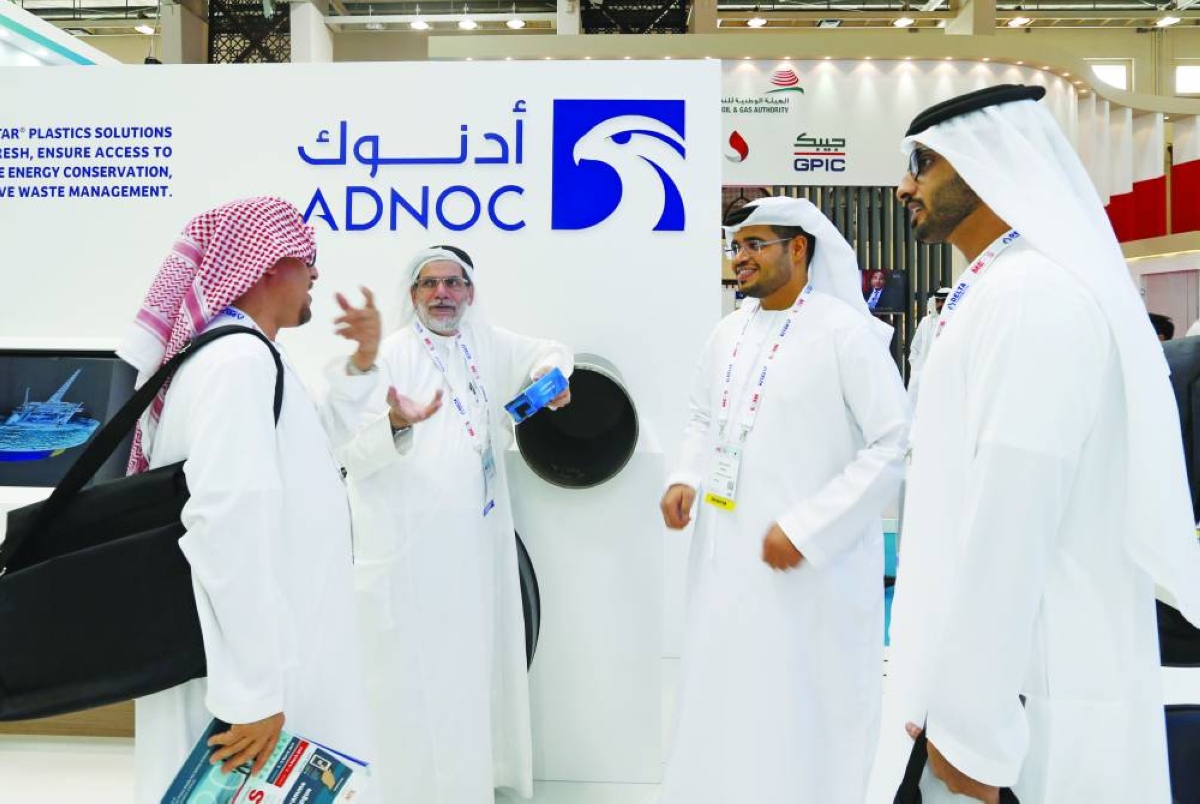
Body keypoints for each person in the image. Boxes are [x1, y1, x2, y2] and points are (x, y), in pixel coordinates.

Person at [866, 85, 1200, 803]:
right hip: (986, 680)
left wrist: (971, 726)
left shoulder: (1034, 298)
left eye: (922, 163)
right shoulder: (991, 288)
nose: (903, 188)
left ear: (986, 162)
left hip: (1029, 692)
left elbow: (1012, 515)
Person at [118, 197, 374, 803]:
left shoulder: (246, 355)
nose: (316, 272)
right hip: (245, 680)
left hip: (263, 657)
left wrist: (362, 365)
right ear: (267, 265)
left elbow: (309, 449)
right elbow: (227, 525)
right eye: (307, 258)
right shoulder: (236, 363)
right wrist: (253, 694)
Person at [658, 196, 909, 804]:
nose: (739, 257)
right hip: (727, 558)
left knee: (799, 707)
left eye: (755, 244)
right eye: (735, 246)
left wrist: (810, 528)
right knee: (728, 696)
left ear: (798, 248)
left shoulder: (845, 332)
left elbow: (893, 442)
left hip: (810, 571)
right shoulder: (729, 331)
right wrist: (686, 474)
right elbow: (702, 415)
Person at [322, 245, 572, 804]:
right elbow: (349, 454)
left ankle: (465, 786)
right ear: (412, 295)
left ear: (470, 292)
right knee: (414, 678)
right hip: (412, 555)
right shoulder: (391, 356)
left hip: (475, 546)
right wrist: (394, 422)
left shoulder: (484, 343)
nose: (442, 294)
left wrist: (550, 377)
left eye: (453, 283)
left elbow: (553, 353)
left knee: (466, 673)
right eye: (430, 284)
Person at [907, 287, 951, 404]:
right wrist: (917, 369)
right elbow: (915, 348)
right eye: (938, 301)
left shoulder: (956, 321)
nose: (940, 304)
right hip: (923, 374)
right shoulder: (926, 321)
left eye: (944, 301)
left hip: (946, 374)